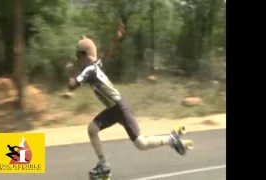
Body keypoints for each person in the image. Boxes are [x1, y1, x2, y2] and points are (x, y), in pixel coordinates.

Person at [65, 24, 187, 179]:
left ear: (83, 55)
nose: (77, 60)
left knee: (141, 144)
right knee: (92, 129)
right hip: (113, 109)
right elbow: (106, 55)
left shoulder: (89, 70)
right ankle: (103, 165)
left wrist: (70, 72)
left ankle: (171, 139)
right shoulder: (94, 65)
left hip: (120, 108)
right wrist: (115, 39)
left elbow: (71, 86)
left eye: (78, 56)